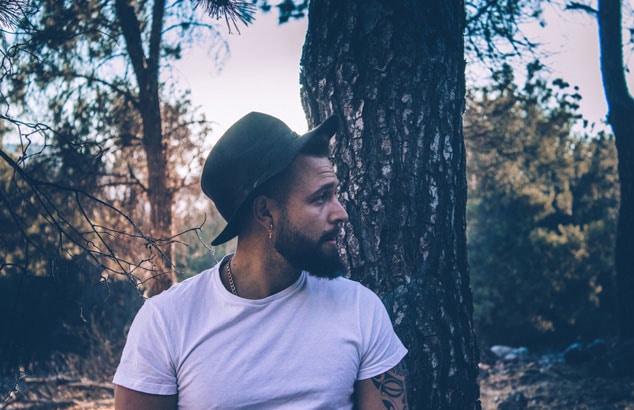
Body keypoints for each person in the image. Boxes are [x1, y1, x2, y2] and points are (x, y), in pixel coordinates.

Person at [113, 112, 408, 409]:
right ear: (265, 213)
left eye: (335, 195)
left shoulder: (361, 310)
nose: (341, 212)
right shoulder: (166, 321)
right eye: (321, 198)